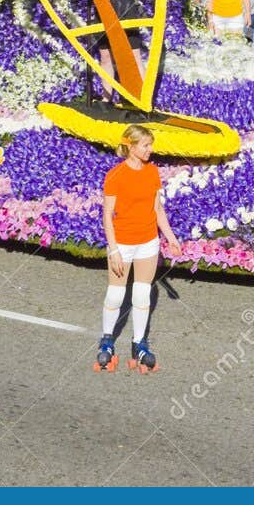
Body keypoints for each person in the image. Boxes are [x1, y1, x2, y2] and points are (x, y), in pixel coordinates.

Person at [96, 126, 179, 373]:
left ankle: (139, 345)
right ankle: (107, 341)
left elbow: (157, 209)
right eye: (146, 145)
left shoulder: (152, 172)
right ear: (131, 147)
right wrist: (113, 250)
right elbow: (107, 216)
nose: (150, 150)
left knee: (142, 294)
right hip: (122, 243)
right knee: (115, 295)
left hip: (148, 242)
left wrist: (171, 237)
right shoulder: (115, 176)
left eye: (151, 145)